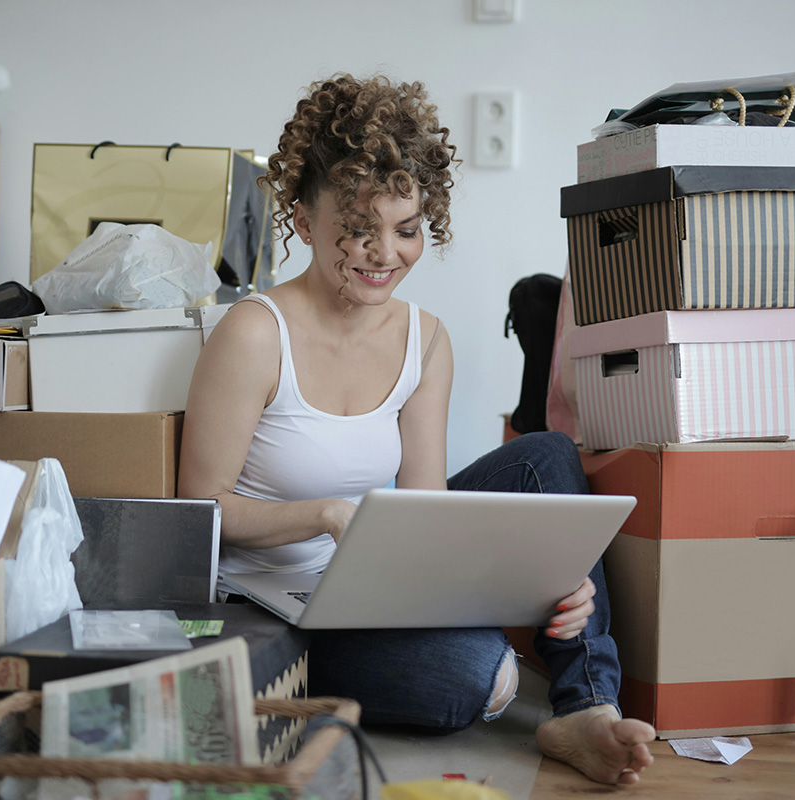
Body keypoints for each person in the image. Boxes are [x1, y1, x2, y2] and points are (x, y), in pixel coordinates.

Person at [178, 73, 655, 785]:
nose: (385, 255)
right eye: (358, 232)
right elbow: (203, 509)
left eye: (406, 231)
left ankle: (586, 705)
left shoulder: (425, 340)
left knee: (546, 456)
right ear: (305, 222)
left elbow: (428, 518)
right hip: (272, 606)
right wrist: (327, 516)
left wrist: (548, 579)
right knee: (475, 677)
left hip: (375, 584)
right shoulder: (253, 332)